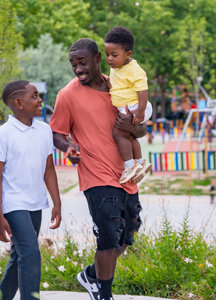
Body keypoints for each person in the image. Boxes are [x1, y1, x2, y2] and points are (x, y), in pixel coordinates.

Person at [50, 38, 147, 300]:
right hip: (96, 176)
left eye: (82, 63)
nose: (78, 69)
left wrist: (133, 125)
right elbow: (56, 133)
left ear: (97, 59)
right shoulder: (67, 95)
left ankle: (92, 275)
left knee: (127, 238)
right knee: (108, 238)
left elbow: (141, 129)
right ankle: (104, 295)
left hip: (127, 175)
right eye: (73, 65)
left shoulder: (118, 85)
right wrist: (68, 146)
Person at [0, 80, 62, 300]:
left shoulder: (44, 130)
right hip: (12, 204)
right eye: (35, 96)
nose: (40, 100)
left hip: (35, 203)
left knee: (18, 256)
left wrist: (56, 202)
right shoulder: (2, 135)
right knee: (30, 254)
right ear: (19, 102)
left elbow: (48, 168)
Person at [104, 26, 152, 183]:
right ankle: (140, 162)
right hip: (127, 106)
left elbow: (142, 90)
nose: (109, 58)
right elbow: (116, 83)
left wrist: (139, 112)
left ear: (128, 54)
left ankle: (129, 165)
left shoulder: (134, 70)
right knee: (129, 136)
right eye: (107, 55)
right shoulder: (117, 66)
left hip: (133, 107)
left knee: (118, 134)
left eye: (114, 55)